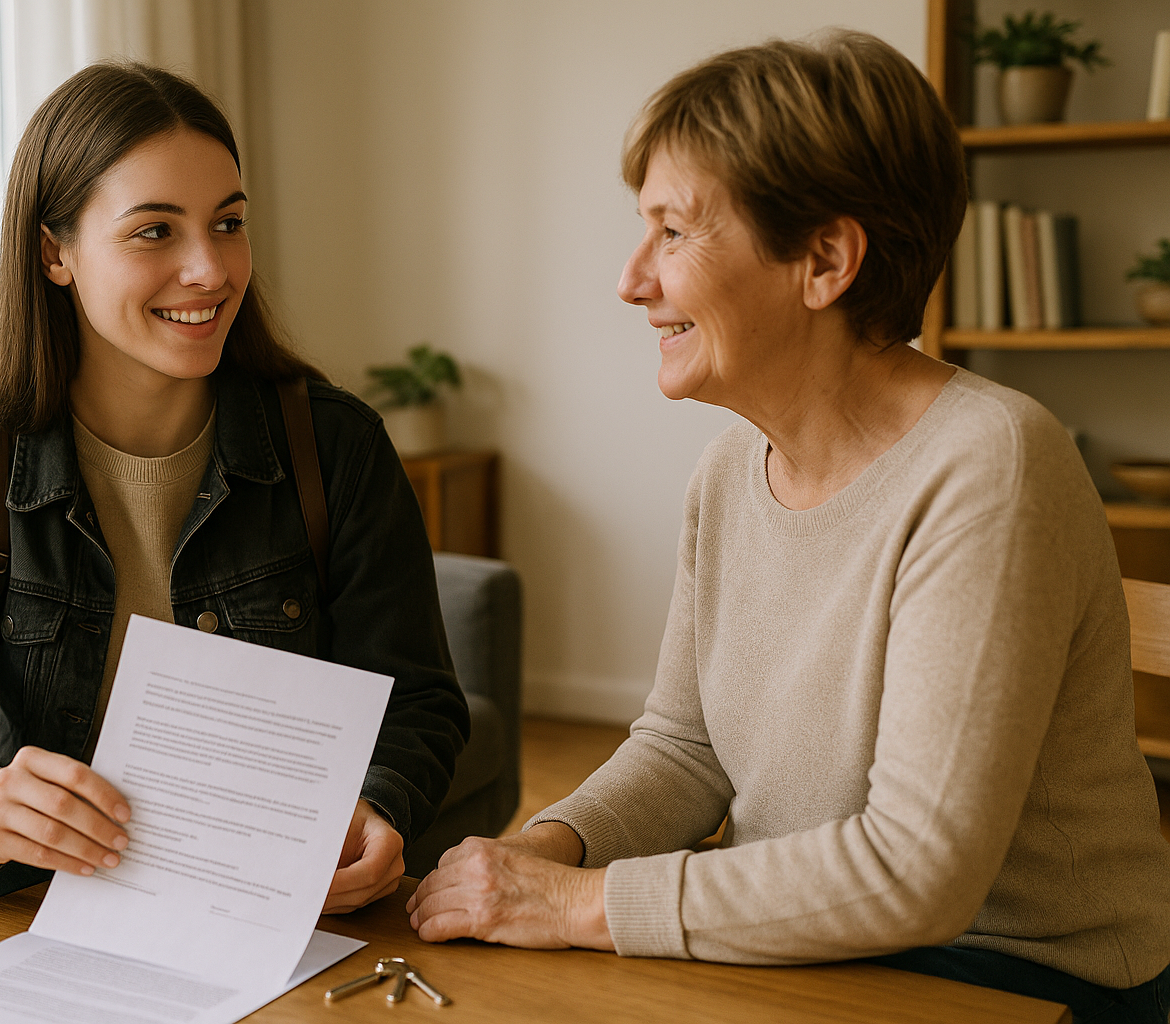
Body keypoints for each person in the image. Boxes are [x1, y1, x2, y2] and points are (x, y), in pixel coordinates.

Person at [406, 31, 1170, 1022]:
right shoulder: (729, 469)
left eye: (674, 232)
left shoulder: (990, 463)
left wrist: (577, 902)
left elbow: (916, 872)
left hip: (1014, 977)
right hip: (812, 951)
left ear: (824, 259)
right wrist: (547, 848)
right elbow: (686, 747)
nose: (632, 280)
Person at [0, 61, 469, 968]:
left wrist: (379, 802)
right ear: (56, 253)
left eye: (228, 224)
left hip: (266, 847)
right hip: (61, 846)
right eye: (155, 230)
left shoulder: (334, 445)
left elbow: (421, 700)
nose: (209, 269)